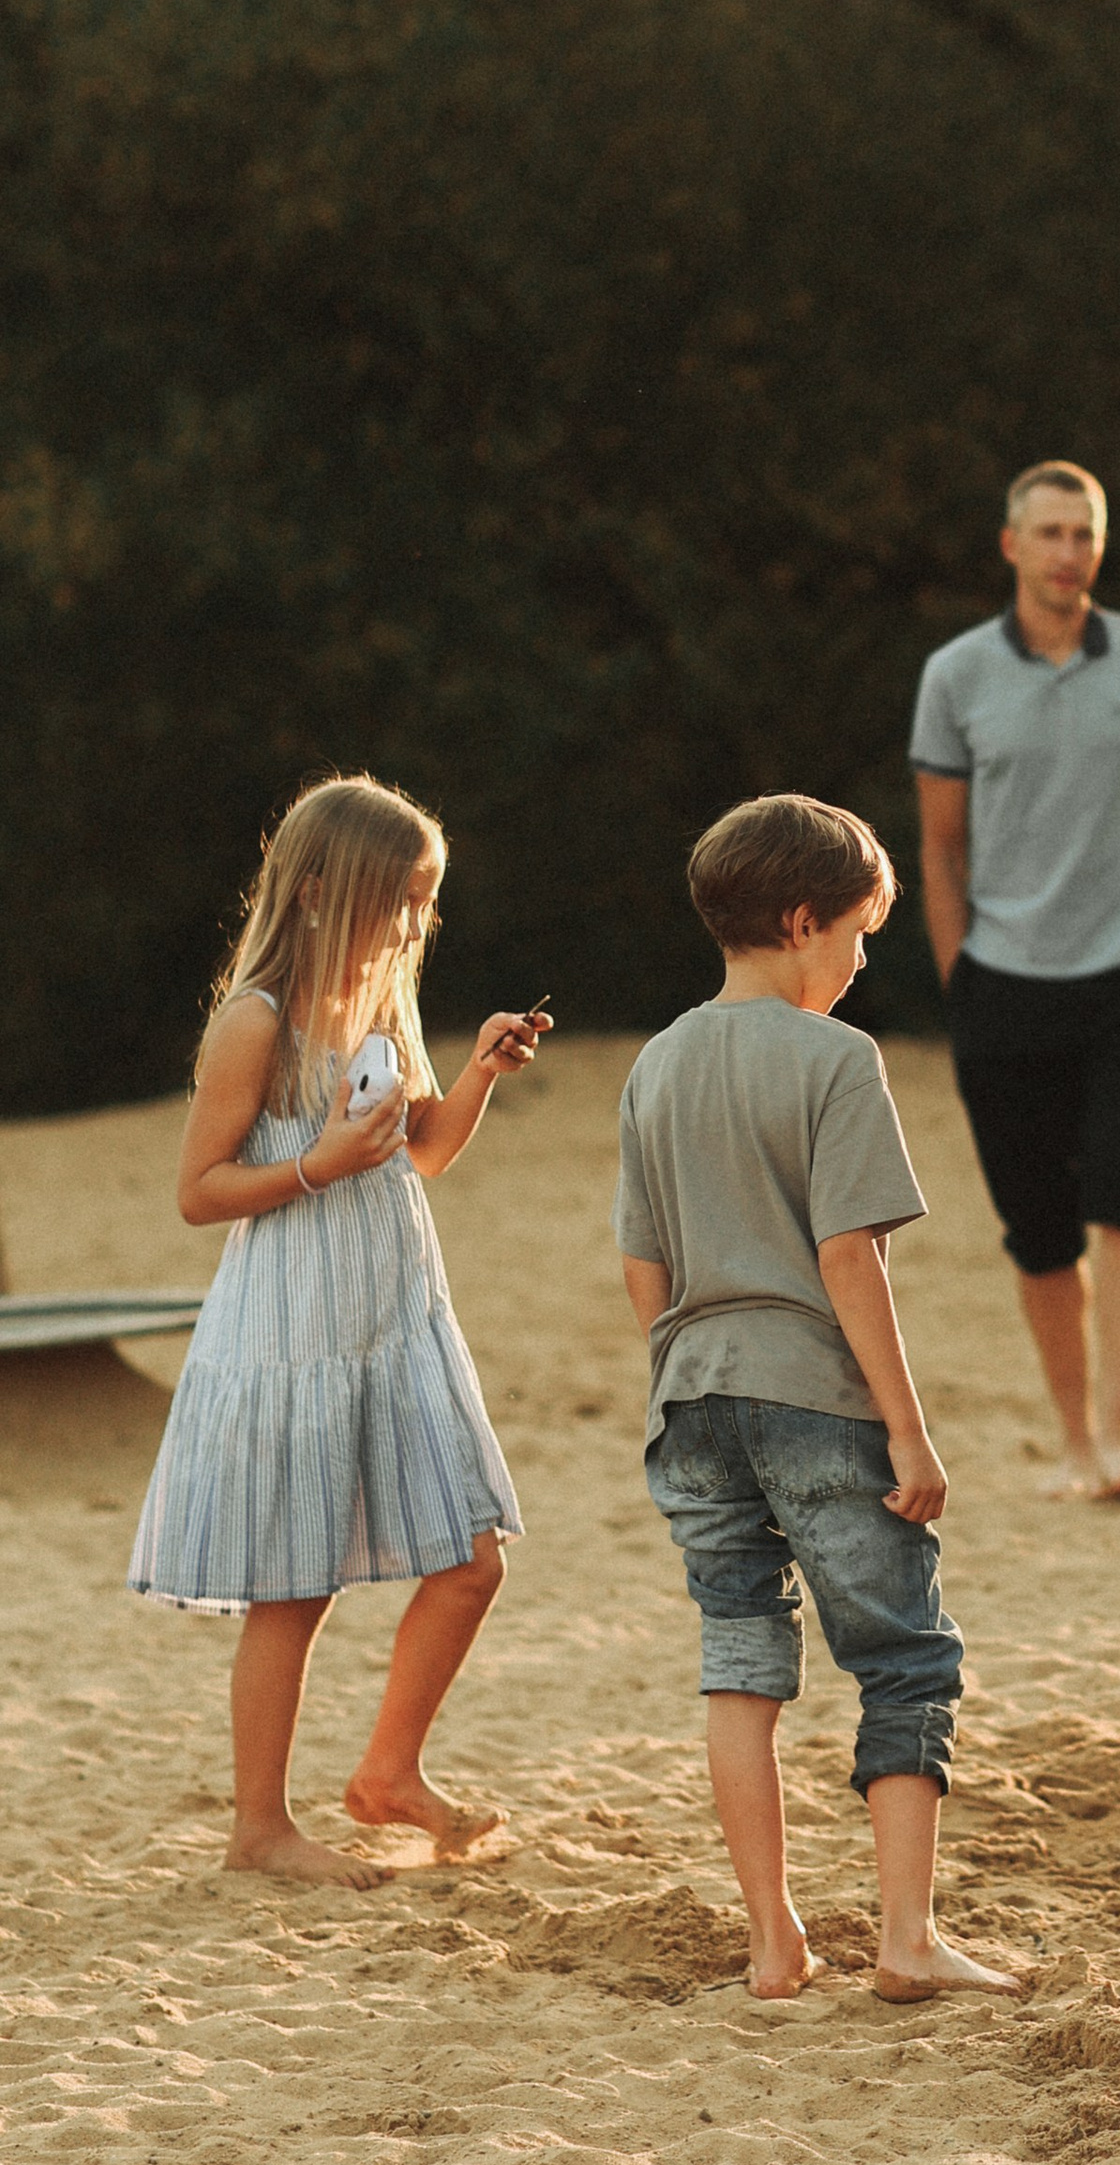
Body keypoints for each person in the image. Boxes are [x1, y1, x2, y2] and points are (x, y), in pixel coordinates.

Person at [616, 790, 1021, 2006]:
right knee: (902, 1659)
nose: (860, 958)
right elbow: (852, 1258)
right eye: (855, 931)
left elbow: (645, 1268)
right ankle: (905, 1939)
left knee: (740, 1659)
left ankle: (774, 1942)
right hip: (814, 1397)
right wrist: (905, 1424)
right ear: (798, 920)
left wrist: (686, 1380)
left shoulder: (656, 1061)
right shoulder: (838, 1059)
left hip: (690, 1401)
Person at [130, 774, 546, 1885]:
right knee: (293, 1584)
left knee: (471, 1559)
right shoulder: (254, 1019)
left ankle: (387, 1775)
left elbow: (419, 1157)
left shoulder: (380, 1002)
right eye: (401, 897)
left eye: (427, 900)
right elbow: (199, 1190)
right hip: (292, 1326)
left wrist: (478, 1075)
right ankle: (259, 1828)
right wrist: (314, 1162)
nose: (417, 923)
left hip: (395, 1316)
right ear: (316, 892)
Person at [912, 461, 1120, 1506]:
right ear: (1010, 545)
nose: (1066, 551)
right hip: (1003, 986)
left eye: (1082, 533)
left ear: (1099, 544)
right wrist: (962, 980)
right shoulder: (954, 676)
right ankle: (1070, 1437)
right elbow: (939, 848)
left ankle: (1114, 1437)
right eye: (1047, 532)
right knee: (1039, 1228)